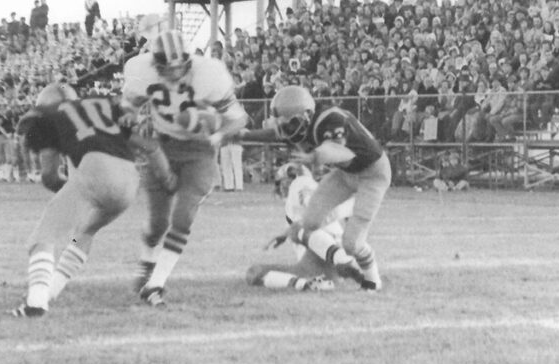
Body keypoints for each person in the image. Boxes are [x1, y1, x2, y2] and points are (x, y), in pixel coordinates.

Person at [121, 30, 247, 306]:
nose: (175, 74)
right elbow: (125, 114)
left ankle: (156, 284)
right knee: (157, 224)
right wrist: (133, 123)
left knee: (183, 215)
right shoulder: (141, 72)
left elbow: (238, 118)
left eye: (180, 67)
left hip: (199, 151)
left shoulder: (209, 74)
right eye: (168, 68)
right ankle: (147, 262)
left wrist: (216, 135)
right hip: (161, 147)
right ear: (155, 65)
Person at [234, 85, 388, 291]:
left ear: (307, 114)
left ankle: (372, 281)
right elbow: (275, 134)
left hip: (372, 174)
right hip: (345, 174)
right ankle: (337, 263)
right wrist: (243, 135)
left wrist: (315, 156)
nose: (288, 131)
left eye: (290, 125)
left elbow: (339, 150)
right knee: (309, 221)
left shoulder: (330, 119)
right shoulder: (303, 125)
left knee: (352, 243)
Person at [9, 83, 139, 317]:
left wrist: (68, 189)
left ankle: (36, 303)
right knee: (86, 231)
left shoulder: (48, 118)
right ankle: (50, 292)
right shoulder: (99, 105)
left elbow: (49, 176)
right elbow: (130, 123)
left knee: (43, 237)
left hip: (96, 171)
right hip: (129, 179)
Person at [245, 162, 352, 291]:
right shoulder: (305, 194)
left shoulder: (300, 183)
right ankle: (316, 278)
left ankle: (305, 283)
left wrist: (289, 232)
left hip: (321, 253)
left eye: (283, 182)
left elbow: (310, 205)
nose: (281, 187)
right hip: (333, 254)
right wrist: (286, 233)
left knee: (254, 272)